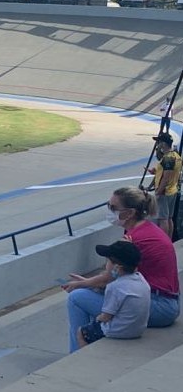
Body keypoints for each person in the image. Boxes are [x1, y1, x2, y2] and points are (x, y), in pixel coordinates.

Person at [63, 186, 179, 350]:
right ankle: (89, 342)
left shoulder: (135, 238)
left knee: (76, 298)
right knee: (90, 294)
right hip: (162, 301)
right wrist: (91, 283)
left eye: (113, 207)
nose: (109, 210)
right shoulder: (145, 229)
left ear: (129, 213)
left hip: (160, 306)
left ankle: (76, 351)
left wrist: (82, 284)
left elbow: (109, 276)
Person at [73, 240, 150, 349]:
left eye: (107, 261)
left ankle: (82, 355)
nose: (105, 265)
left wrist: (98, 319)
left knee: (82, 332)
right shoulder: (141, 279)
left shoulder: (114, 287)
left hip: (119, 331)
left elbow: (106, 317)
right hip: (138, 329)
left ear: (117, 267)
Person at [147, 132, 180, 238]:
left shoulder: (168, 158)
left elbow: (166, 177)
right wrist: (155, 172)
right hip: (173, 190)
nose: (158, 144)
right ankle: (168, 241)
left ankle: (163, 241)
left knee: (163, 219)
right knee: (169, 218)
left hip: (165, 192)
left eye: (159, 142)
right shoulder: (176, 156)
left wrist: (158, 191)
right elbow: (166, 173)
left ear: (164, 144)